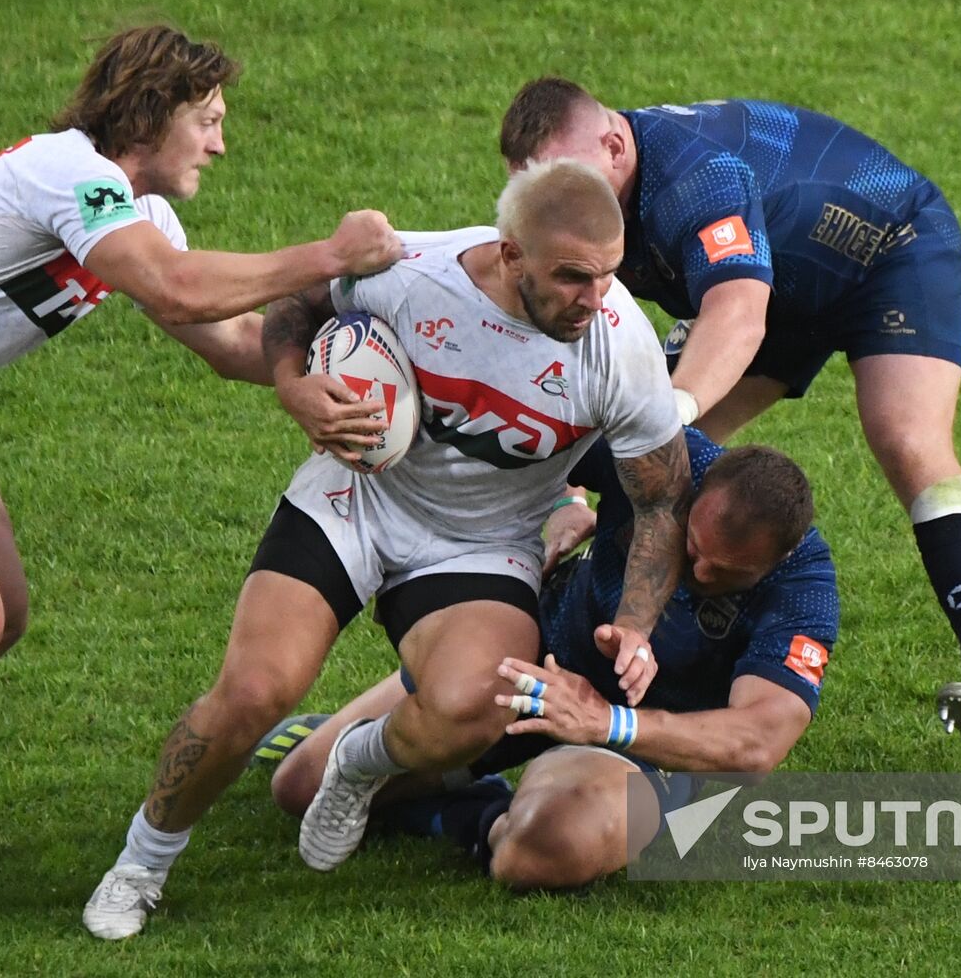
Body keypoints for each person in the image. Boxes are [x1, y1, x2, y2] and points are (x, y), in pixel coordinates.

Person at [82, 158, 692, 939]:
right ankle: (141, 862)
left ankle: (358, 763)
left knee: (478, 706)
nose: (594, 299)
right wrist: (295, 384)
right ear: (511, 255)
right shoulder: (413, 273)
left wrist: (635, 622)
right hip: (357, 500)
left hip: (479, 543)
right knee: (254, 693)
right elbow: (298, 308)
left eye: (607, 276)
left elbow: (661, 497)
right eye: (572, 277)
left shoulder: (620, 348)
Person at [498, 79, 961, 765]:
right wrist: (569, 494)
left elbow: (737, 314)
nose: (554, 207)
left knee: (908, 443)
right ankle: (578, 604)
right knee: (621, 445)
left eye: (565, 181)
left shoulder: (696, 179)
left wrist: (670, 414)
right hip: (776, 274)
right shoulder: (577, 205)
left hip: (887, 252)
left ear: (612, 145)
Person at [0, 25, 401, 722]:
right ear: (152, 113)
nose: (219, 145)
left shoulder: (139, 211)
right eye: (207, 122)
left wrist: (315, 375)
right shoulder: (70, 172)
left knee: (2, 615)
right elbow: (174, 286)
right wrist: (331, 255)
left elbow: (229, 338)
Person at [266, 430, 838, 888]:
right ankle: (418, 753)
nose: (700, 575)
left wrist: (606, 723)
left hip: (644, 744)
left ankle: (477, 812)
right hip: (540, 659)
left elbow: (758, 742)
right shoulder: (665, 454)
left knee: (543, 849)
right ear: (697, 490)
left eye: (729, 574)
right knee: (301, 787)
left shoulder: (805, 587)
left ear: (780, 557)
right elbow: (537, 428)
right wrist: (568, 500)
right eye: (691, 548)